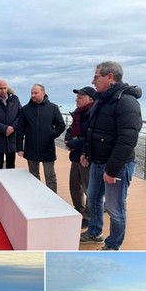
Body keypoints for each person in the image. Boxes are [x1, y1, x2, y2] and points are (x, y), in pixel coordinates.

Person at [79, 61, 142, 250]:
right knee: (93, 198)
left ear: (110, 77)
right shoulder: (101, 99)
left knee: (115, 209)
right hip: (97, 162)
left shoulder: (126, 101)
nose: (93, 80)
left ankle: (113, 245)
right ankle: (95, 232)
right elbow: (92, 131)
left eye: (96, 76)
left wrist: (112, 170)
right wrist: (86, 152)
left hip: (117, 166)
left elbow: (127, 139)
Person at [16, 84, 66, 192]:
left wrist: (51, 134)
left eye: (36, 93)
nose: (33, 95)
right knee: (33, 176)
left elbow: (61, 125)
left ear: (43, 93)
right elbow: (20, 130)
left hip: (47, 147)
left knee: (50, 176)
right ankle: (36, 196)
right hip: (31, 148)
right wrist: (19, 148)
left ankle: (53, 198)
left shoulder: (53, 108)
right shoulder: (25, 109)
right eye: (32, 93)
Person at [65, 86, 96, 228]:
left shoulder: (93, 113)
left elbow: (90, 137)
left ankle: (89, 216)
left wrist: (72, 143)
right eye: (77, 97)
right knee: (74, 185)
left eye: (80, 97)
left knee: (89, 187)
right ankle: (79, 210)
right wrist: (68, 138)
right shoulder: (78, 113)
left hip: (88, 156)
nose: (76, 100)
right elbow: (71, 129)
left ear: (90, 98)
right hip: (76, 155)